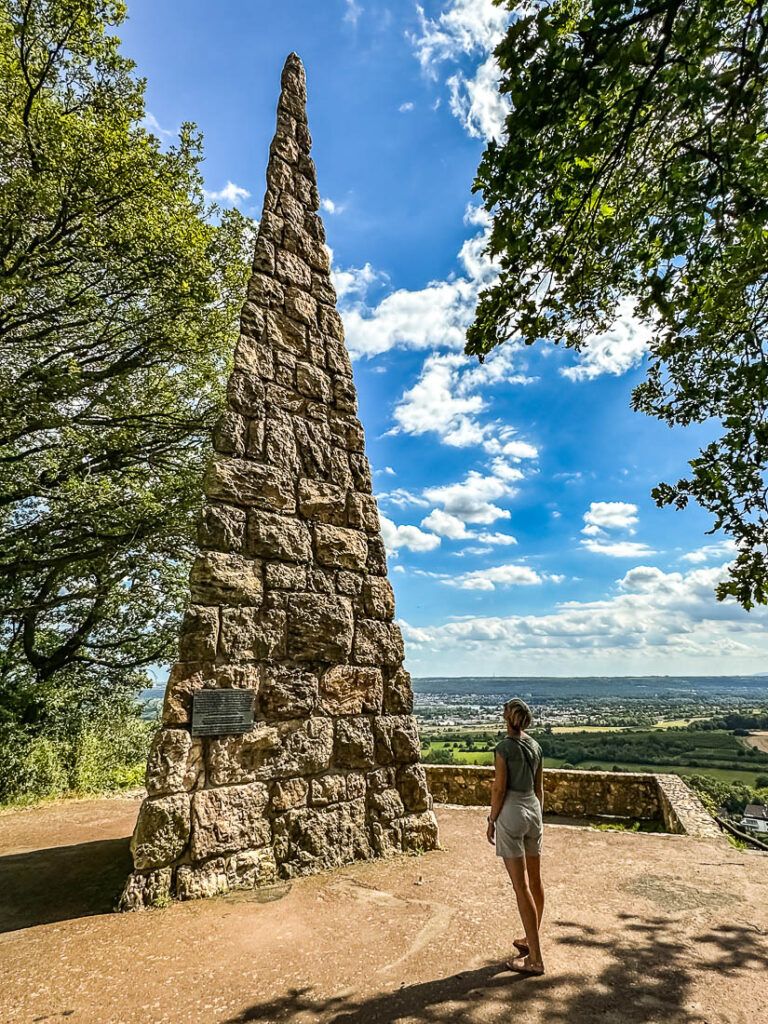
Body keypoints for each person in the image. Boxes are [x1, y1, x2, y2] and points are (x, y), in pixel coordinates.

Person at [486, 697, 545, 976]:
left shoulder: (504, 748)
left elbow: (499, 789)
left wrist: (491, 820)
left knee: (520, 886)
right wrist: (538, 816)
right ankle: (530, 938)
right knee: (535, 882)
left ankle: (534, 959)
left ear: (508, 718)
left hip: (512, 811)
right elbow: (539, 788)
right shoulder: (535, 746)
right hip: (533, 809)